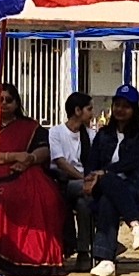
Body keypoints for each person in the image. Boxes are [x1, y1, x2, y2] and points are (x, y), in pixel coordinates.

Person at [0, 82, 63, 276]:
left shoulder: (30, 126)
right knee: (2, 198)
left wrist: (29, 159)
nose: (4, 104)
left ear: (17, 103)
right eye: (0, 100)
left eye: (9, 100)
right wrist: (14, 156)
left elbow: (44, 150)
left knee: (48, 197)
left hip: (29, 170)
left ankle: (41, 257)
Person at [87, 84, 139, 276]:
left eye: (126, 106)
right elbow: (92, 161)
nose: (120, 110)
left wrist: (105, 172)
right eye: (117, 105)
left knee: (107, 199)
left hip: (135, 186)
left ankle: (106, 260)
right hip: (104, 185)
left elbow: (134, 160)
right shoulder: (103, 134)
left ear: (134, 109)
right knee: (108, 187)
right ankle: (136, 226)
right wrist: (93, 175)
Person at [48, 92, 96, 266]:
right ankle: (100, 240)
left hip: (84, 186)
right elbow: (60, 162)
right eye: (89, 109)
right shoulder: (56, 133)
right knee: (91, 190)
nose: (92, 114)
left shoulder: (90, 135)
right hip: (62, 183)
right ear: (77, 110)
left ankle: (83, 253)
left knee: (84, 204)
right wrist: (84, 178)